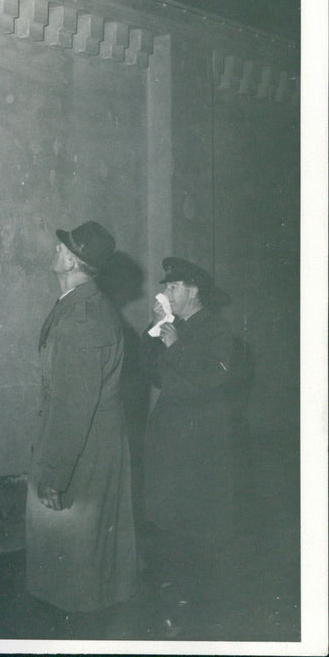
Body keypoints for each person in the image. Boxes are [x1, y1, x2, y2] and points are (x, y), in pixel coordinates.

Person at [26, 220, 138, 619]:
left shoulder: (81, 321)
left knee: (76, 569)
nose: (55, 251)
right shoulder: (80, 306)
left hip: (82, 448)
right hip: (92, 442)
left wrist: (54, 475)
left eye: (62, 248)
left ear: (71, 260)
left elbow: (72, 408)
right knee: (86, 563)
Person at [141, 256, 237, 632]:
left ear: (193, 290)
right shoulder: (173, 325)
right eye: (165, 287)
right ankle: (173, 593)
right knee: (168, 518)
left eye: (172, 287)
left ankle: (190, 605)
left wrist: (177, 346)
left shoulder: (216, 328)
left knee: (192, 522)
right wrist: (155, 329)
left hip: (198, 445)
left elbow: (213, 381)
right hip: (171, 440)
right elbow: (150, 371)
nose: (165, 292)